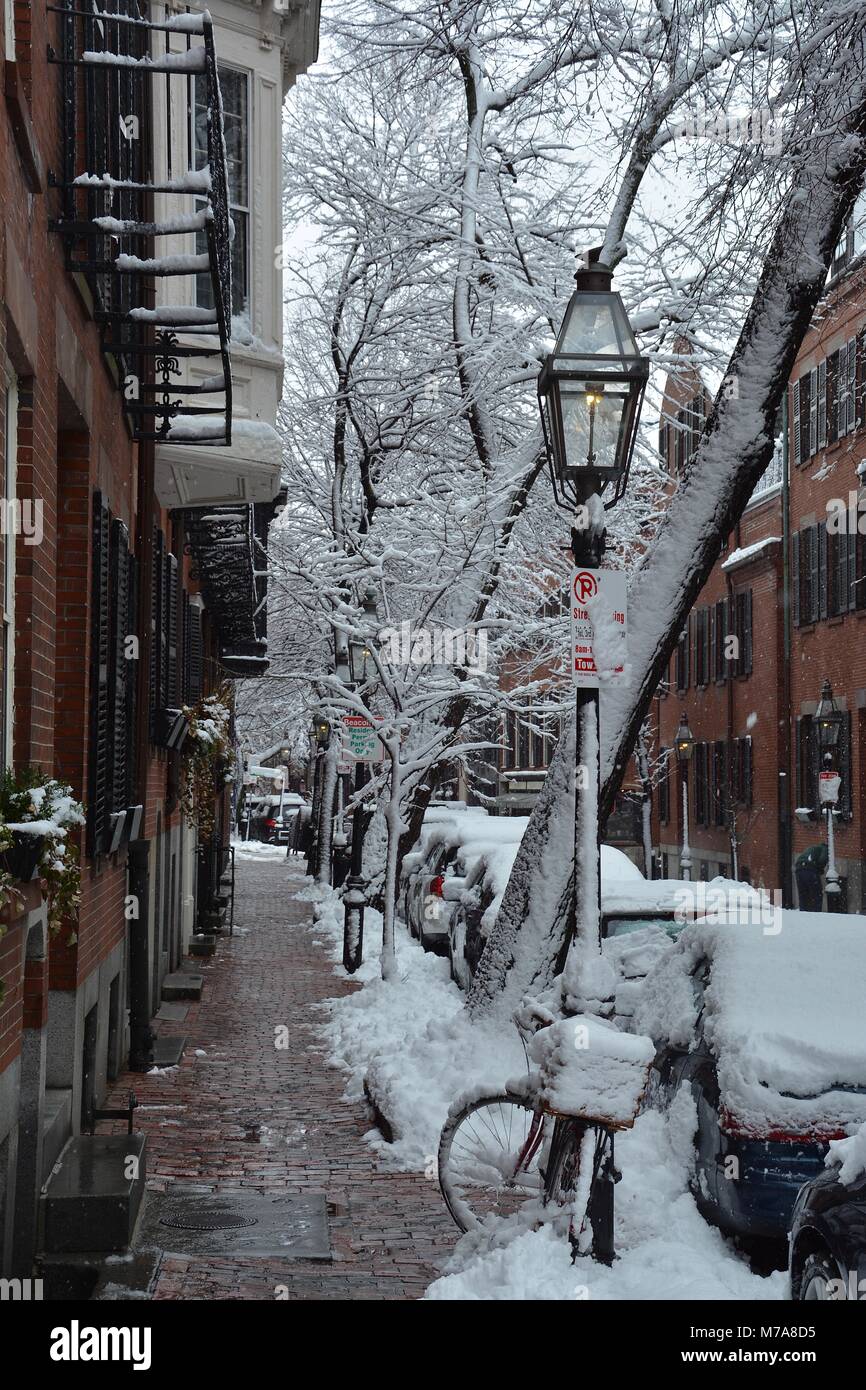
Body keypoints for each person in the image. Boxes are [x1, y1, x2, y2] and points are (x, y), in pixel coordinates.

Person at [795, 842, 828, 912]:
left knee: (803, 894)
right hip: (810, 870)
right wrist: (820, 869)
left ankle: (803, 912)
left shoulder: (813, 847)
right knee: (817, 894)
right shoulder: (825, 849)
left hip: (799, 869)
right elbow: (822, 860)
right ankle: (816, 914)